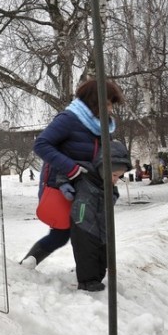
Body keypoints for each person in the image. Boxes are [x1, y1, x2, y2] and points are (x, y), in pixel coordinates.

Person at [21, 78, 124, 268]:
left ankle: (88, 273)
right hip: (60, 185)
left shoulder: (101, 126)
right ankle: (28, 264)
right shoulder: (68, 119)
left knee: (86, 231)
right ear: (95, 101)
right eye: (108, 104)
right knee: (62, 232)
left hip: (87, 187)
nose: (111, 109)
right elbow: (41, 144)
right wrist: (71, 168)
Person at [59, 140, 132, 291]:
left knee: (103, 253)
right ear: (103, 168)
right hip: (82, 220)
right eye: (114, 175)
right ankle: (87, 282)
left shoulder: (109, 184)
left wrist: (112, 195)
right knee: (86, 251)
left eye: (119, 176)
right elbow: (63, 170)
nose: (115, 179)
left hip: (102, 224)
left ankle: (97, 278)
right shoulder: (84, 172)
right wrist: (63, 184)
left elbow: (113, 195)